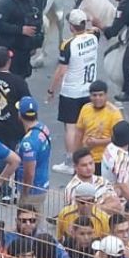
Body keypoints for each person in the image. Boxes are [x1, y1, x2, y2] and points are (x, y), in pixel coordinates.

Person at [48, 9, 99, 173]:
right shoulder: (94, 37)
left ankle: (70, 162)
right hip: (88, 90)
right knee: (84, 126)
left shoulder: (68, 44)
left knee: (70, 127)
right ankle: (84, 157)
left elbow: (61, 71)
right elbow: (96, 26)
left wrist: (51, 90)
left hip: (71, 91)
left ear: (71, 27)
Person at [0, 0, 43, 78]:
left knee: (22, 78)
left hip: (25, 51)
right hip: (10, 49)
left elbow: (37, 21)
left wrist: (34, 44)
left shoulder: (31, 2)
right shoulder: (6, 3)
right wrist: (20, 30)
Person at [75, 81, 123, 176]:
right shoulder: (85, 108)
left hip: (106, 160)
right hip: (87, 158)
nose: (97, 98)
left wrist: (97, 142)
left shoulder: (114, 113)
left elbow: (119, 139)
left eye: (101, 95)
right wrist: (76, 154)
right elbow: (79, 132)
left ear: (106, 95)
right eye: (94, 95)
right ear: (90, 96)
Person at [15, 96, 52, 208]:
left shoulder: (28, 143)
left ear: (20, 115)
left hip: (33, 190)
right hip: (42, 183)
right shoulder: (43, 127)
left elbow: (30, 172)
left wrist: (25, 192)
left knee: (28, 222)